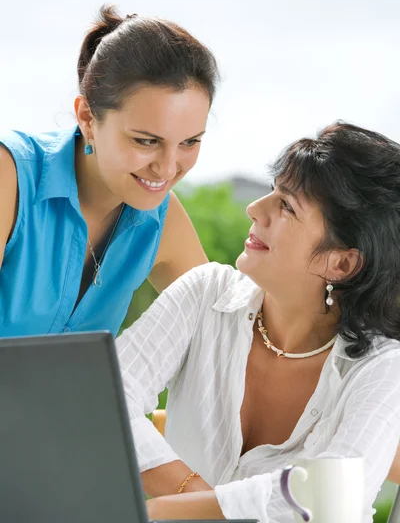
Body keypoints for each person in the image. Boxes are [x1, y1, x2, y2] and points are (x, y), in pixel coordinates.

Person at [117, 121, 400, 523]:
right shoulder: (205, 294)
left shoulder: (383, 366)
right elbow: (105, 399)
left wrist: (167, 511)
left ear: (342, 263)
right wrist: (193, 495)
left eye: (286, 206)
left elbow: (336, 497)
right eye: (273, 191)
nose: (255, 208)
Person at [0, 5, 219, 337]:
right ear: (87, 118)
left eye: (190, 142)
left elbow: (223, 327)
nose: (168, 168)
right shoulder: (10, 178)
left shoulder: (160, 218)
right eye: (146, 141)